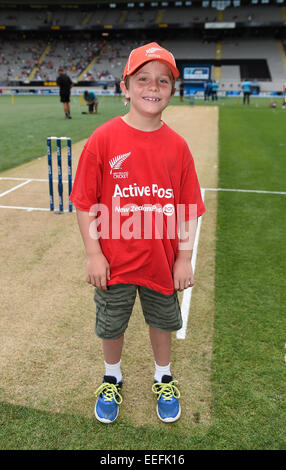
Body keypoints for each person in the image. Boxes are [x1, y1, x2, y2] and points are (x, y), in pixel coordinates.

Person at [69, 42, 206, 424]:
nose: (153, 86)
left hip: (161, 262)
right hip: (114, 263)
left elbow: (189, 208)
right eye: (143, 78)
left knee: (162, 321)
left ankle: (163, 376)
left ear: (172, 91)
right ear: (125, 87)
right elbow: (84, 201)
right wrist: (94, 254)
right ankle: (112, 376)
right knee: (111, 323)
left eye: (163, 81)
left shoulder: (178, 147)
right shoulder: (104, 139)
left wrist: (182, 256)